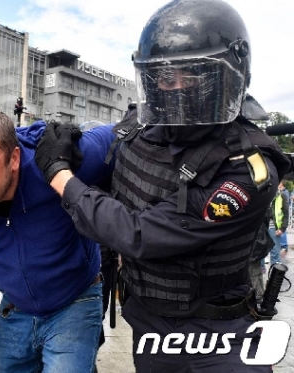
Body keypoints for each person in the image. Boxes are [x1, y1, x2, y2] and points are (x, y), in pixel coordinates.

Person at [34, 0, 291, 372]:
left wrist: (59, 174)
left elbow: (138, 234)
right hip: (150, 324)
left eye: (193, 76)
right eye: (166, 78)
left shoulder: (246, 170)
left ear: (228, 77)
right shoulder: (139, 132)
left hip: (219, 334)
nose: (176, 88)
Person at [0, 107, 115, 372]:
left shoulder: (56, 161)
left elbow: (123, 134)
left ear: (13, 158)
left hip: (75, 298)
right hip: (16, 306)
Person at [268, 180, 289, 265]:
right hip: (261, 228)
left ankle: (275, 276)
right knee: (258, 255)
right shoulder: (264, 194)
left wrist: (282, 228)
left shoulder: (282, 196)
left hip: (274, 228)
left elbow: (286, 213)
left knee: (275, 254)